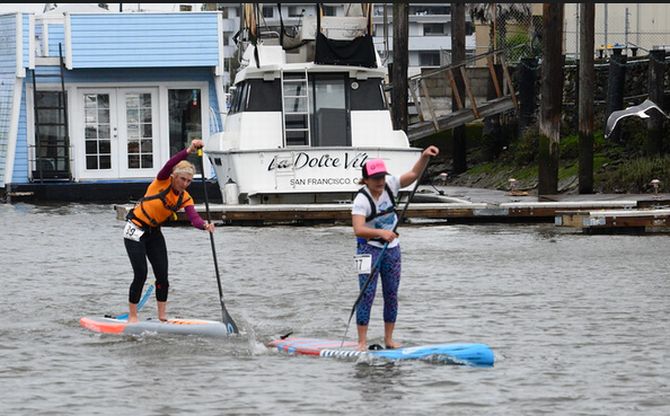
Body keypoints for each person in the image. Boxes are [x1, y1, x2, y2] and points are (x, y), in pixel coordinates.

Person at [351, 146, 439, 351]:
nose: (380, 181)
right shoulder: (361, 200)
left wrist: (424, 156)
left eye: (382, 176)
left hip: (392, 250)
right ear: (366, 180)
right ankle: (362, 342)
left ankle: (389, 340)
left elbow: (415, 174)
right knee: (367, 295)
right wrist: (382, 233)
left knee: (391, 294)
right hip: (367, 250)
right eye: (375, 178)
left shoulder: (391, 185)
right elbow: (358, 229)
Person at [123, 139, 215, 323]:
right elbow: (170, 164)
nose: (185, 184)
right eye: (182, 179)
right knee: (140, 273)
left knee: (163, 276)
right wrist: (188, 150)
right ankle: (133, 316)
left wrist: (205, 225)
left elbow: (193, 217)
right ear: (174, 176)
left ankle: (162, 316)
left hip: (154, 233)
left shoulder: (185, 198)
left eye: (189, 181)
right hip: (135, 229)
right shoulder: (162, 180)